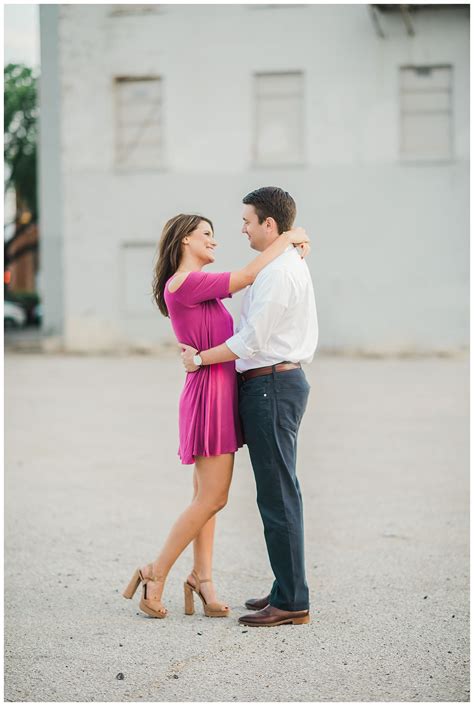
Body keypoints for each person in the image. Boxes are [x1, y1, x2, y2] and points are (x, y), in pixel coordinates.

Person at [122, 212, 310, 619]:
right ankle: (155, 572)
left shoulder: (197, 288)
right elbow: (246, 276)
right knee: (213, 497)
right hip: (209, 396)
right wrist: (292, 235)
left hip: (216, 393)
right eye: (206, 234)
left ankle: (202, 580)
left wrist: (294, 239)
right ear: (185, 240)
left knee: (204, 499)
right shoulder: (186, 283)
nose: (215, 241)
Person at [181, 187, 318, 627]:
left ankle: (292, 601)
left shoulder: (278, 272)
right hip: (271, 384)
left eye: (247, 221)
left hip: (272, 385)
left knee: (278, 496)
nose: (241, 228)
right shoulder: (282, 262)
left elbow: (250, 341)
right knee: (276, 494)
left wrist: (199, 358)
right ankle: (285, 589)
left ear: (269, 226)